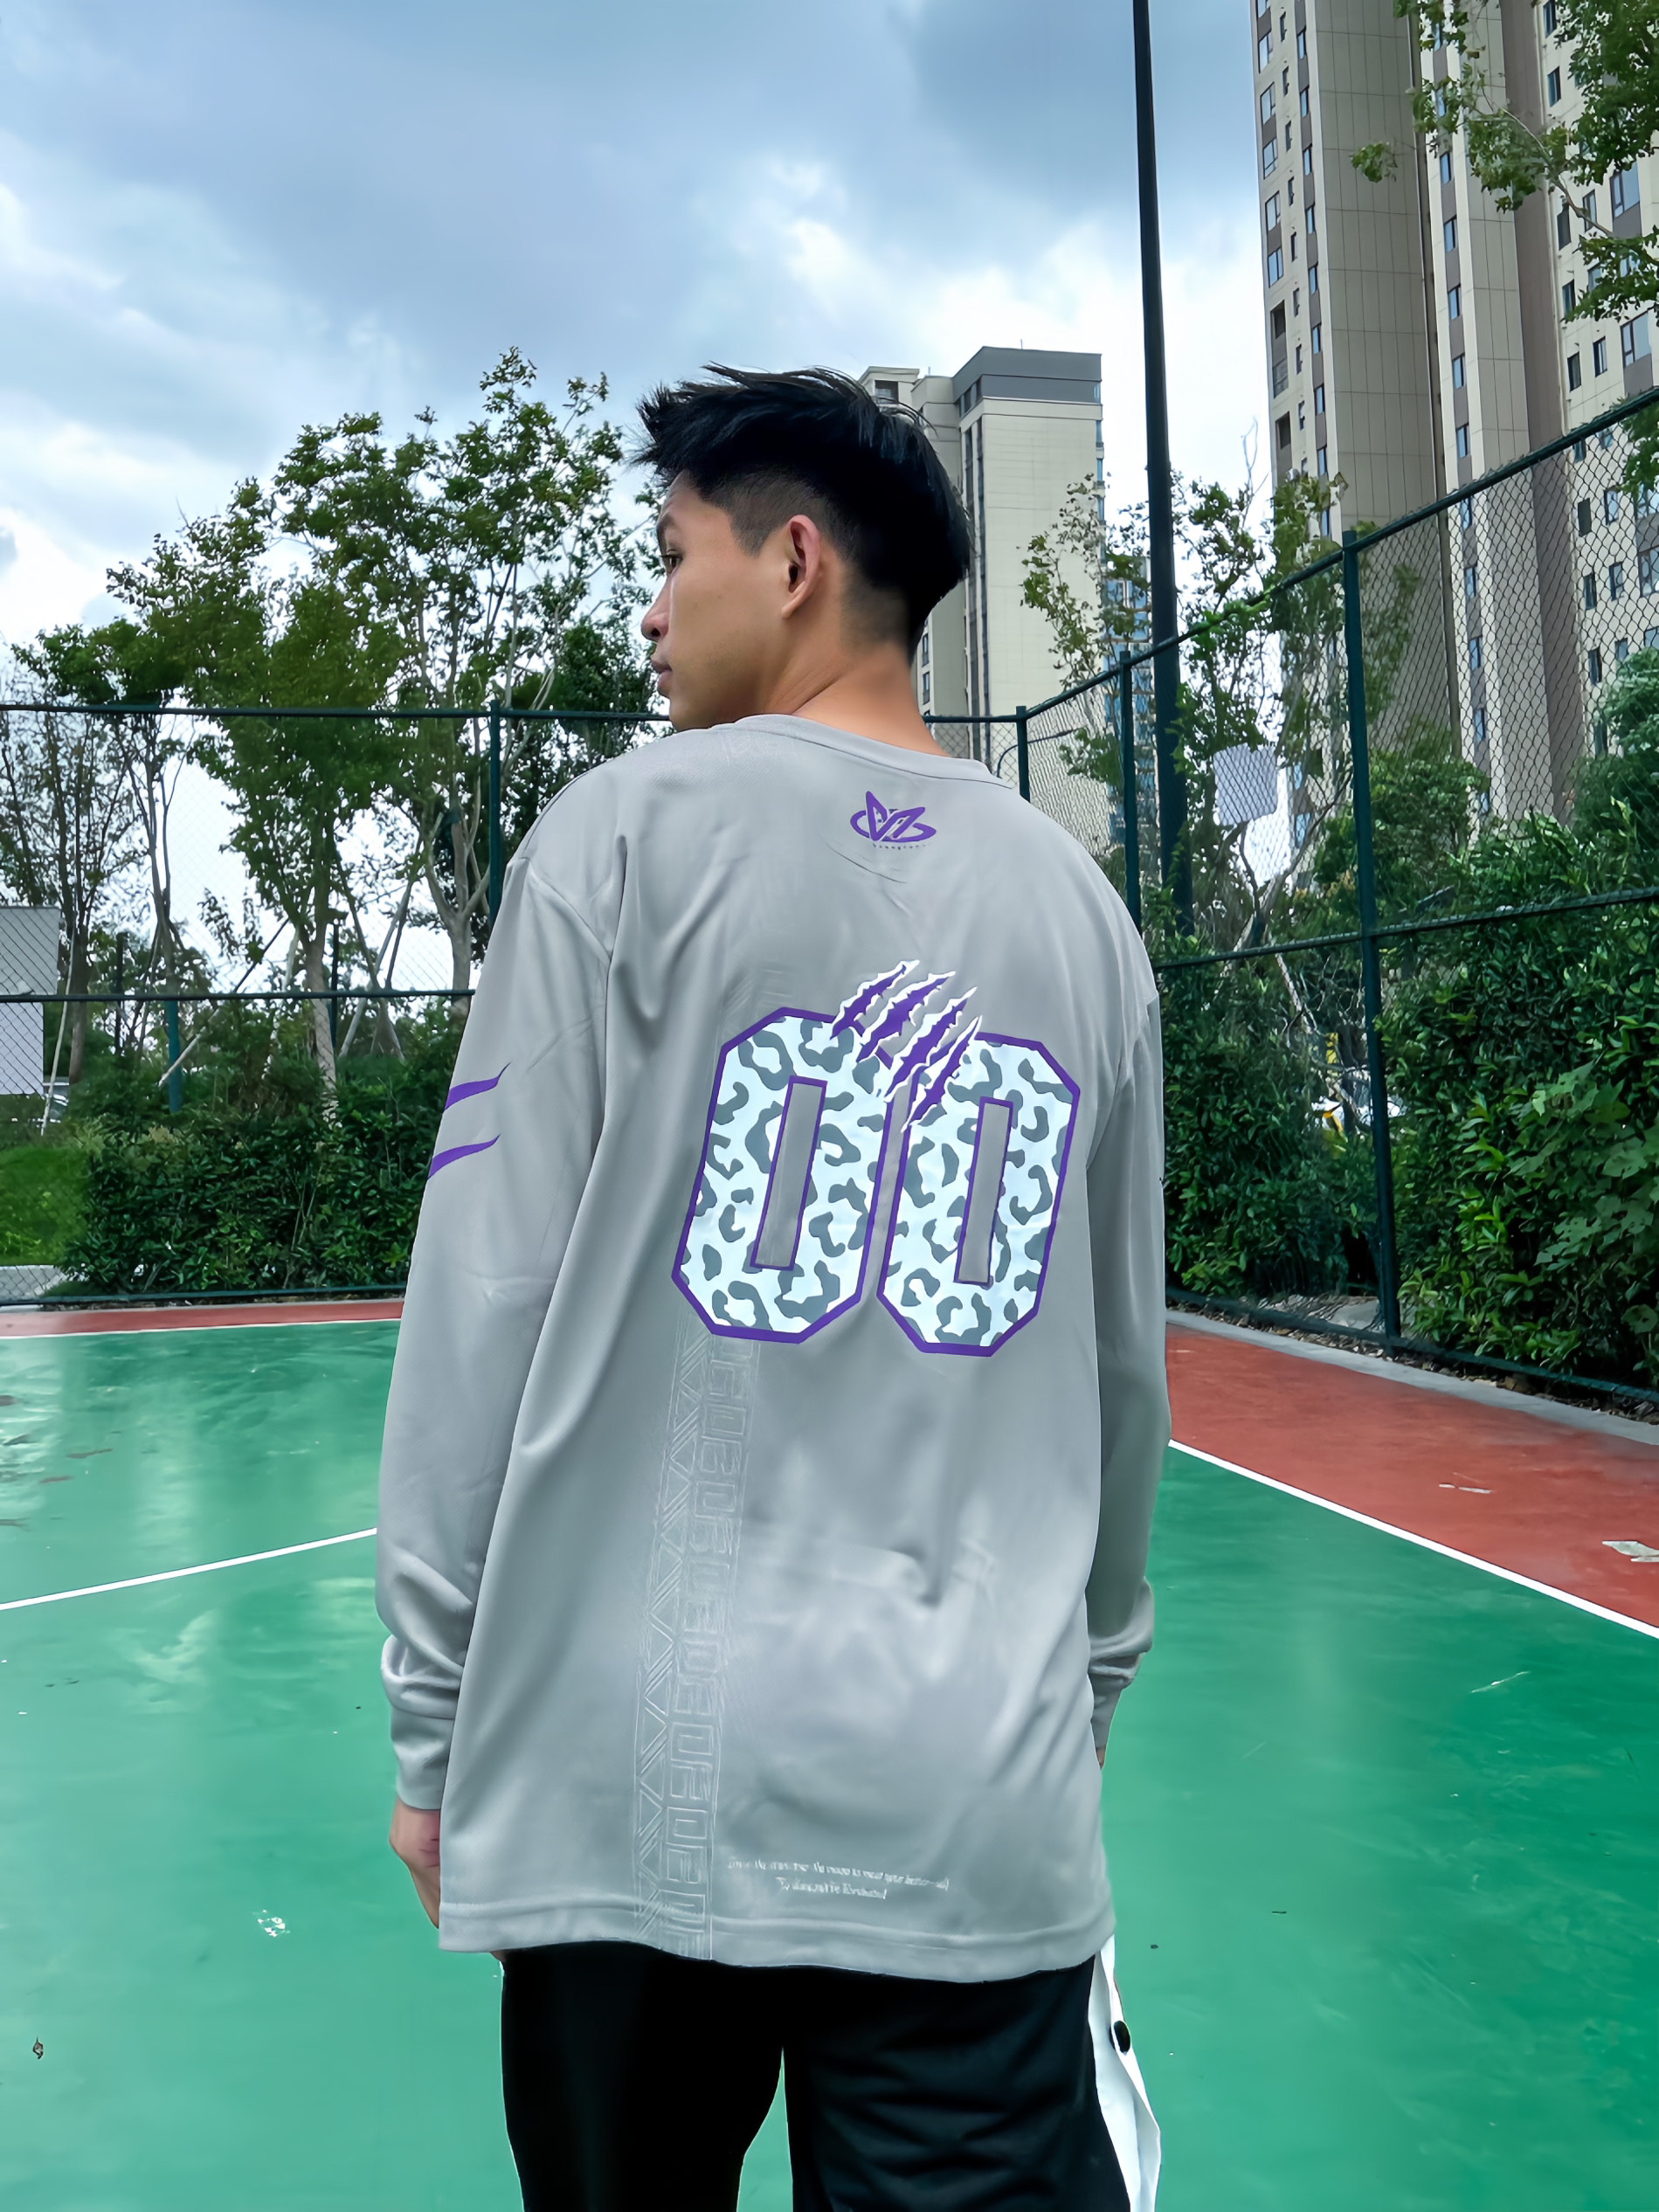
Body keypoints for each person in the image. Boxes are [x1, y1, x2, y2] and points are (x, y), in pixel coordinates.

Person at [377, 365, 1168, 2210]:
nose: (654, 613)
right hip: (972, 1791)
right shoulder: (1085, 919)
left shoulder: (613, 841)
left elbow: (479, 1313)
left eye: (674, 559)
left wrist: (433, 1724)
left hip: (624, 1775)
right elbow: (1121, 1381)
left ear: (794, 561)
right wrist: (1075, 1707)